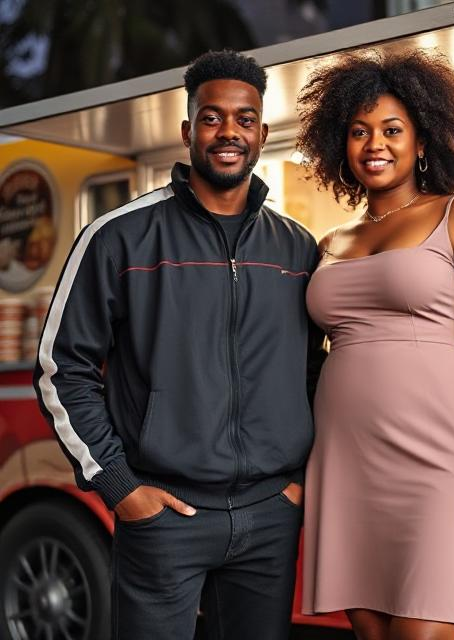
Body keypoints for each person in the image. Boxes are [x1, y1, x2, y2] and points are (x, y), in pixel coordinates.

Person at [33, 50, 324, 640]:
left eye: (244, 120)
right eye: (212, 118)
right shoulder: (119, 237)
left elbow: (317, 373)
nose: (229, 133)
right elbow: (62, 368)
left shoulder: (297, 249)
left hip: (271, 514)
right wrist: (120, 485)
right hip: (164, 514)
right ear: (188, 130)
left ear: (263, 133)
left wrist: (301, 483)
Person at [296, 50, 454, 640]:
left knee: (422, 630)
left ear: (422, 141)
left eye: (392, 130)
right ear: (339, 146)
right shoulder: (330, 241)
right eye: (359, 131)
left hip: (438, 457)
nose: (375, 144)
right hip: (344, 458)